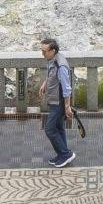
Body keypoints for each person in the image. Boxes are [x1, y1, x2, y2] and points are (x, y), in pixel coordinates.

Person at [38, 37, 75, 168]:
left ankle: (65, 154)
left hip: (58, 102)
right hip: (53, 99)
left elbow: (66, 88)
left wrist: (67, 107)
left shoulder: (61, 65)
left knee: (49, 129)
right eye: (41, 51)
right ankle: (62, 154)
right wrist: (45, 83)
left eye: (44, 51)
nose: (42, 54)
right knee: (59, 128)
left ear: (53, 50)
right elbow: (51, 75)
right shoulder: (52, 60)